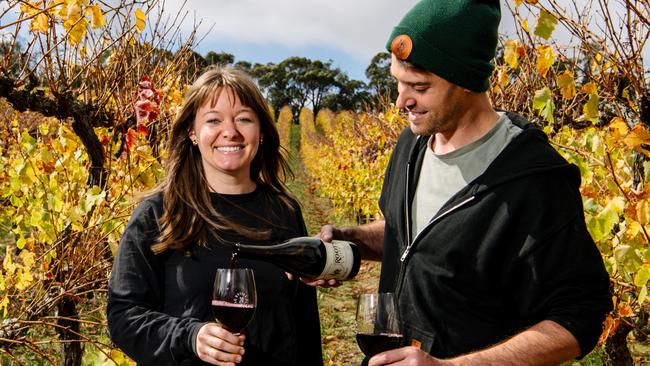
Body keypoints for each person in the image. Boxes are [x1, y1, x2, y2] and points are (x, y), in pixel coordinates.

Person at [320, 1, 612, 365]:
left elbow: (582, 313)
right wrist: (352, 240)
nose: (400, 101)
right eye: (397, 82)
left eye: (419, 87)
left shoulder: (534, 179)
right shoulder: (411, 145)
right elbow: (413, 236)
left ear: (465, 82)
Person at [107, 67, 323, 365]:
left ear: (261, 132)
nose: (230, 131)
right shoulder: (158, 213)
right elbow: (123, 317)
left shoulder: (284, 211)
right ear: (192, 133)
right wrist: (190, 337)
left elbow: (305, 322)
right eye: (213, 120)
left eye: (244, 119)